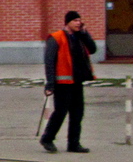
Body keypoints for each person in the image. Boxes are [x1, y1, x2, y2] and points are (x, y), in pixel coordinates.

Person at [40, 10, 97, 153]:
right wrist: (50, 84)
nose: (78, 23)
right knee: (60, 112)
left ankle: (74, 143)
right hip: (62, 83)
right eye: (75, 21)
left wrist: (85, 33)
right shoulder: (56, 38)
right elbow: (49, 62)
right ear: (67, 23)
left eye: (80, 20)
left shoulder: (80, 37)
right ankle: (47, 138)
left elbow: (93, 49)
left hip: (77, 81)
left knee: (78, 113)